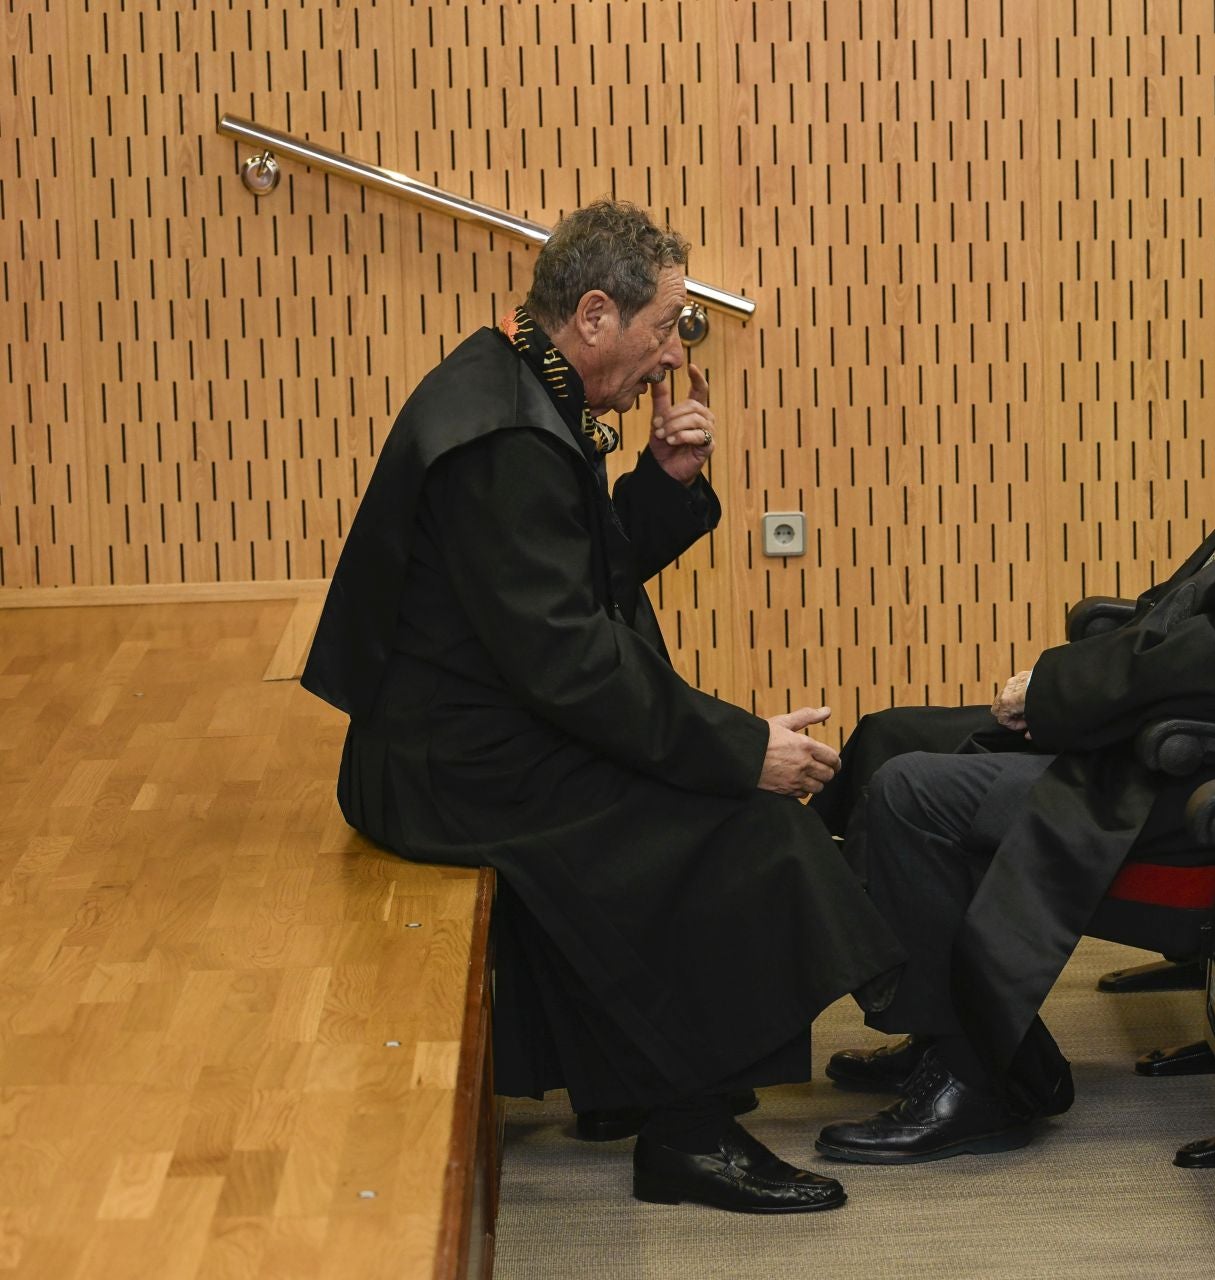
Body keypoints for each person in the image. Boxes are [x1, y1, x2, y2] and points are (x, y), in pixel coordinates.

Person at [301, 200, 905, 1215]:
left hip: (469, 738)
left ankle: (645, 1079)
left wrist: (663, 480)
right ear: (593, 314)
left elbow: (568, 594)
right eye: (666, 325)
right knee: (743, 829)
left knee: (697, 798)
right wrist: (741, 747)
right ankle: (689, 1131)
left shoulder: (514, 384)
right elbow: (573, 664)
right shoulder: (503, 435)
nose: (673, 356)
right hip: (446, 773)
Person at [812, 301, 1215, 1164]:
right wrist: (1068, 683)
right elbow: (1178, 627)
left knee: (911, 794)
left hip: (1194, 783)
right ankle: (957, 1034)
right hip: (1157, 733)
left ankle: (979, 1080)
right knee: (886, 735)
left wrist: (1057, 691)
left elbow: (1200, 673)